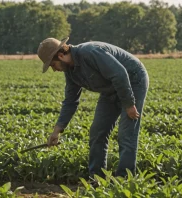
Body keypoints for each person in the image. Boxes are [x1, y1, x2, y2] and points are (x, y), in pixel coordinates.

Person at [37, 37, 149, 179]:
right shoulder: (70, 72)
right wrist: (57, 130)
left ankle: (125, 181)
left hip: (133, 80)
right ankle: (97, 180)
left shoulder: (90, 52)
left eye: (53, 65)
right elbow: (71, 101)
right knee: (97, 132)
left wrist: (129, 104)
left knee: (126, 133)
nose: (54, 70)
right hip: (110, 88)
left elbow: (120, 74)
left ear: (60, 56)